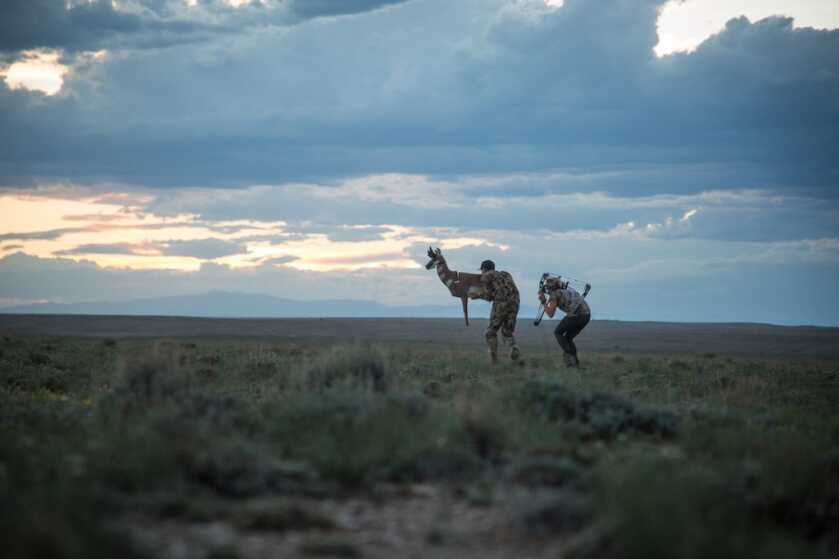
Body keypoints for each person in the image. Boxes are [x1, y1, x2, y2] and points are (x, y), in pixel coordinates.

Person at [472, 259, 523, 365]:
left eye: (482, 270)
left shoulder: (486, 276)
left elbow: (489, 296)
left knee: (490, 332)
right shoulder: (506, 274)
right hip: (515, 303)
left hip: (501, 303)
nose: (481, 272)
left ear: (484, 269)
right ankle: (514, 348)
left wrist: (477, 295)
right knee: (507, 332)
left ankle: (494, 360)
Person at [539, 275, 591, 368]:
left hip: (577, 315)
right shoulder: (568, 291)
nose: (546, 288)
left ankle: (569, 359)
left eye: (548, 286)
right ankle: (575, 365)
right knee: (568, 338)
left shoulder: (555, 294)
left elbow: (550, 314)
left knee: (558, 332)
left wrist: (543, 301)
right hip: (586, 316)